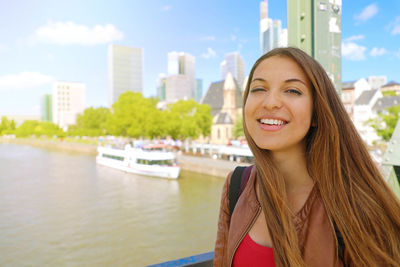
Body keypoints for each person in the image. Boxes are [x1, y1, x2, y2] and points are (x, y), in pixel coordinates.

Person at [214, 47, 400, 267]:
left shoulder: (356, 204)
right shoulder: (236, 185)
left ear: (316, 113)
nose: (270, 102)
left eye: (292, 91)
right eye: (258, 89)